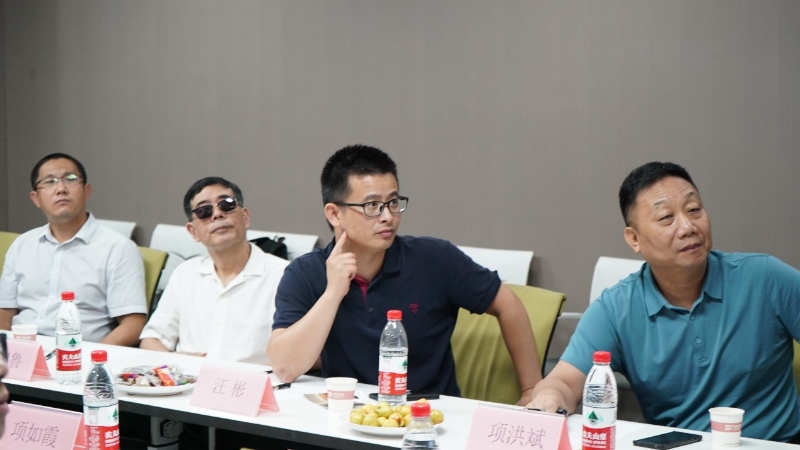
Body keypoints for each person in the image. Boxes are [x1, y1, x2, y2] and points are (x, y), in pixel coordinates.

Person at [527, 161, 800, 443]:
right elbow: (563, 381)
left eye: (694, 210)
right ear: (634, 239)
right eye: (667, 217)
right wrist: (550, 397)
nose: (688, 227)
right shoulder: (616, 309)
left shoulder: (765, 278)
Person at [268, 144, 542, 405]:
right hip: (346, 414)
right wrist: (332, 294)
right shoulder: (305, 273)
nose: (388, 216)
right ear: (334, 214)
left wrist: (531, 389)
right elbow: (284, 368)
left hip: (431, 414)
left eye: (393, 202)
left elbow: (508, 304)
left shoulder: (435, 258)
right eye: (372, 206)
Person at [0, 153, 146, 345]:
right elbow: (5, 311)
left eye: (70, 179)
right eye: (49, 182)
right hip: (21, 351)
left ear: (86, 191)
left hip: (79, 353)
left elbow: (133, 324)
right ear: (36, 198)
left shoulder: (118, 248)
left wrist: (90, 357)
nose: (61, 189)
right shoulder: (22, 245)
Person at [140, 177, 288, 365]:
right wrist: (175, 362)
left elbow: (303, 353)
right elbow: (151, 340)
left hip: (255, 381)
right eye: (204, 211)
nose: (217, 214)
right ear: (193, 232)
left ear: (245, 217)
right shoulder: (185, 274)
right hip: (190, 379)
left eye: (226, 205)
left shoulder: (283, 275)